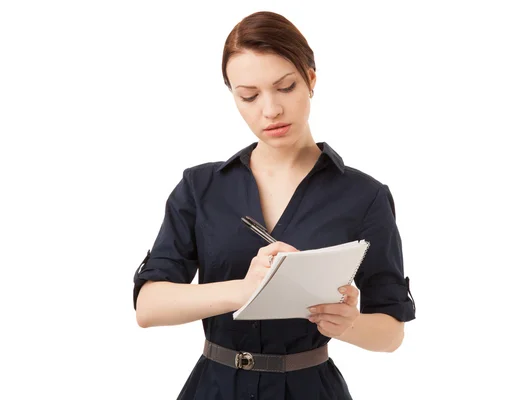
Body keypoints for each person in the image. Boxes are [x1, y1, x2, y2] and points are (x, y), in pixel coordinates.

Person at [133, 10, 416, 400]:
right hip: (213, 389)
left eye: (285, 87)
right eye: (248, 95)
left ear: (311, 80)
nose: (270, 110)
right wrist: (246, 290)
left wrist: (347, 323)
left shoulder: (365, 196)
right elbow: (149, 307)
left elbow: (391, 332)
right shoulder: (201, 187)